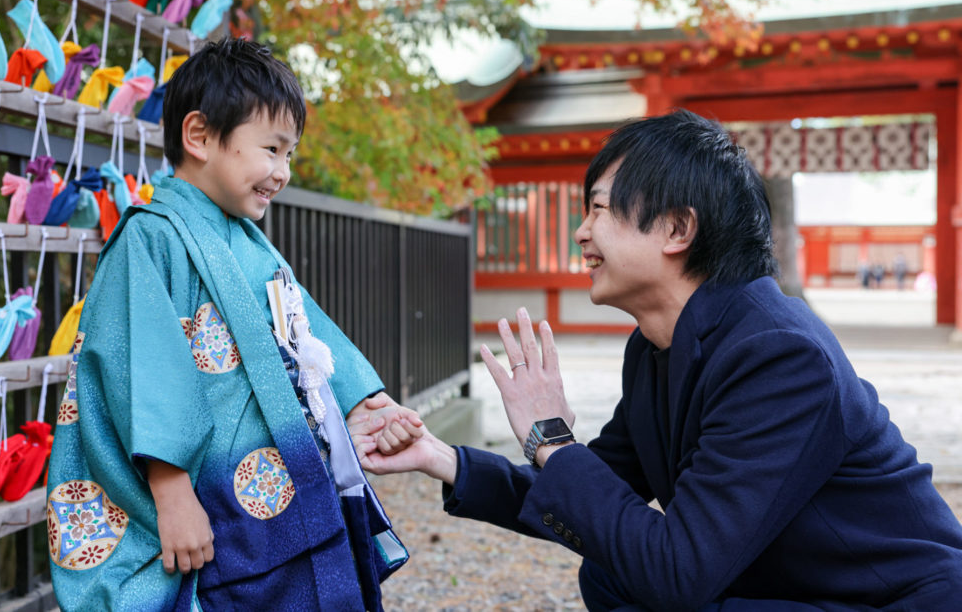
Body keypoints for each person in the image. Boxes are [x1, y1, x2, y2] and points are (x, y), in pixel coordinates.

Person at [358, 109, 962, 610]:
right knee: (610, 574)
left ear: (676, 228)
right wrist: (439, 457)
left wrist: (549, 435)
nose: (581, 234)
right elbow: (589, 490)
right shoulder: (657, 346)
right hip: (788, 585)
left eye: (599, 209)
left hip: (890, 600)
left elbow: (678, 570)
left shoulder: (779, 354)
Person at [47, 38, 422, 611]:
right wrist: (172, 497)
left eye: (290, 154)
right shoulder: (150, 237)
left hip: (276, 492)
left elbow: (307, 334)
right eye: (271, 148)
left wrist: (363, 403)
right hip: (213, 503)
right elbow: (143, 375)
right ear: (199, 136)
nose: (282, 172)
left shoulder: (250, 243)